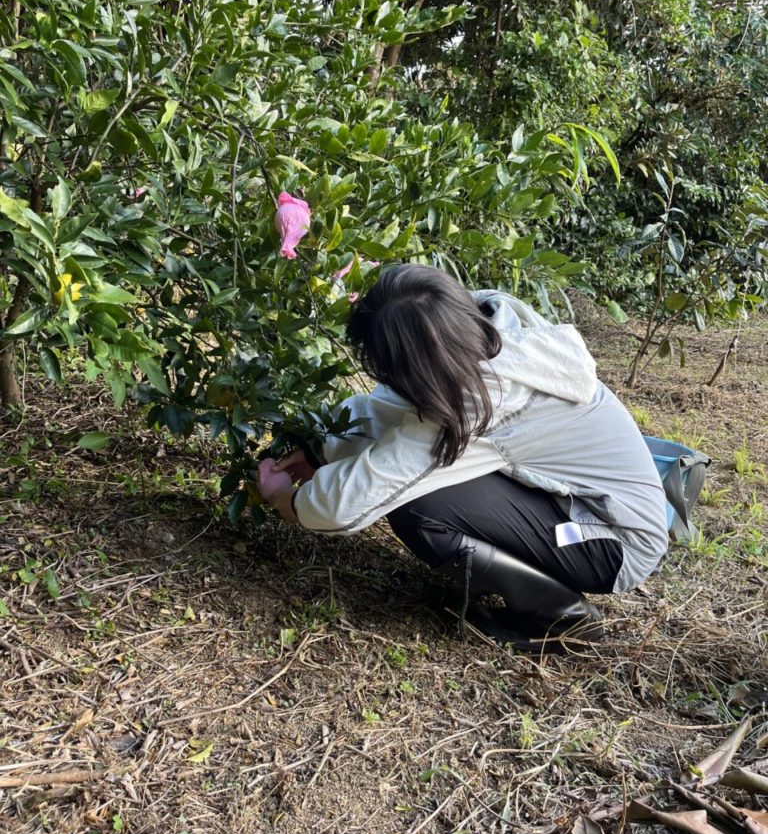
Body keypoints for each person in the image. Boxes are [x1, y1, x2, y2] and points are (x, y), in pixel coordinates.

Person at [259, 264, 669, 653]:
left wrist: (291, 504)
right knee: (425, 488)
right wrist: (321, 445)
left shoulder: (484, 398)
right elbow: (396, 409)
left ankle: (560, 618)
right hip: (583, 505)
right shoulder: (482, 322)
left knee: (419, 507)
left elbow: (352, 502)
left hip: (614, 540)